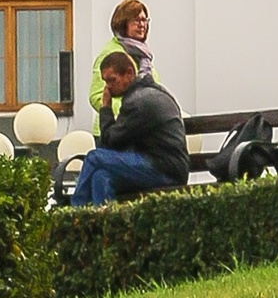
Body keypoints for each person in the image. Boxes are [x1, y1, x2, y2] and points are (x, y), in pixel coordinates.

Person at [61, 46, 189, 206]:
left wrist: (105, 108)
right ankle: (104, 225)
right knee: (101, 177)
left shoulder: (138, 102)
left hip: (164, 170)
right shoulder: (150, 92)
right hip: (165, 167)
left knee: (94, 157)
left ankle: (75, 214)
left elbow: (109, 142)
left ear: (129, 73)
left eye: (112, 80)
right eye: (105, 81)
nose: (107, 87)